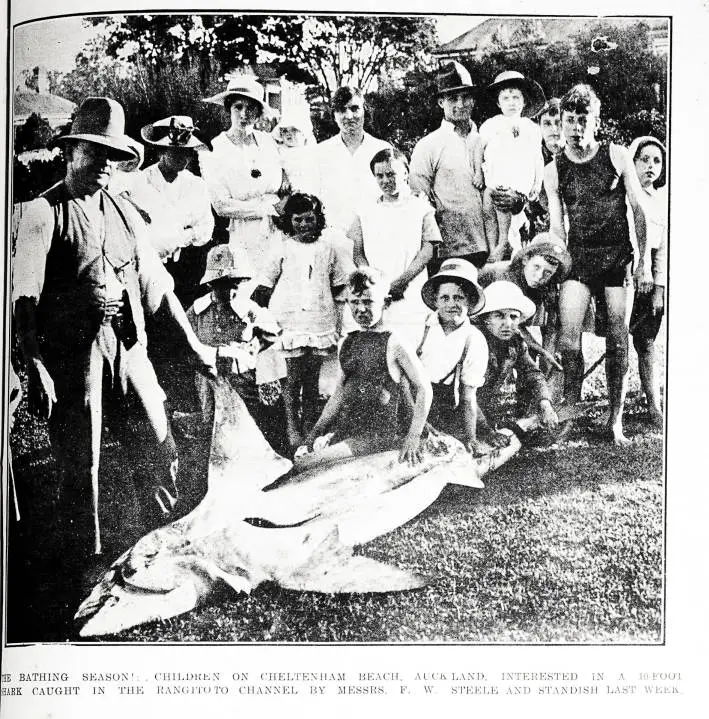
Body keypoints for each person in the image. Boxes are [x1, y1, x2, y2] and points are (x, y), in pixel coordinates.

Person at [11, 97, 217, 585]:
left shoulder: (126, 212)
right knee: (84, 460)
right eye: (94, 152)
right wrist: (34, 361)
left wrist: (194, 348)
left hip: (128, 345)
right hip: (74, 354)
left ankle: (158, 544)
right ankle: (87, 567)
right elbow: (23, 297)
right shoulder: (44, 212)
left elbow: (159, 289)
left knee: (158, 437)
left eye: (113, 155)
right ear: (71, 151)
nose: (104, 164)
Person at [544, 84, 649, 444]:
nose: (574, 128)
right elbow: (557, 226)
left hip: (617, 259)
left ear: (596, 121)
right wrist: (554, 266)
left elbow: (638, 210)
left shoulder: (616, 155)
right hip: (579, 260)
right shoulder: (553, 169)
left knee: (617, 340)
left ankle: (614, 418)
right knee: (569, 339)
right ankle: (572, 408)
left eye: (581, 120)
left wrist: (645, 264)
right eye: (568, 120)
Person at [302, 267, 432, 465]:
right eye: (354, 302)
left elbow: (424, 388)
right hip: (351, 429)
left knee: (308, 463)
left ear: (385, 303)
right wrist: (316, 431)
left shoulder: (395, 342)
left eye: (368, 302)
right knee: (304, 457)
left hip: (380, 434)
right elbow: (340, 393)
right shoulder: (348, 341)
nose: (361, 309)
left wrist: (413, 436)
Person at [255, 193, 354, 449]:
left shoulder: (328, 248)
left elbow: (339, 285)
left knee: (312, 381)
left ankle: (311, 432)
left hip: (319, 319)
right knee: (291, 379)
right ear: (290, 221)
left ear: (318, 219)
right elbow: (264, 286)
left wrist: (337, 316)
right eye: (298, 220)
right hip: (289, 320)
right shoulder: (282, 248)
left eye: (309, 219)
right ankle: (292, 431)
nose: (304, 225)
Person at [187, 244, 287, 454]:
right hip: (209, 377)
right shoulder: (198, 311)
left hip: (241, 376)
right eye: (222, 285)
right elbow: (183, 338)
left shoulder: (247, 309)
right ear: (210, 285)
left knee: (249, 418)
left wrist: (253, 347)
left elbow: (273, 332)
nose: (230, 291)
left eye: (236, 284)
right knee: (212, 420)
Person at [348, 147, 441, 348]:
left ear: (405, 173)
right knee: (379, 346)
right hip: (376, 291)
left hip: (410, 288)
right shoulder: (364, 210)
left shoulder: (421, 208)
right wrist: (373, 282)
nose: (385, 181)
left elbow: (429, 249)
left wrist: (401, 282)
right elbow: (357, 251)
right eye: (379, 176)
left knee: (409, 345)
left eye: (391, 174)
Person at [200, 75, 286, 276]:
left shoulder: (268, 142)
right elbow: (221, 205)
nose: (244, 114)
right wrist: (267, 208)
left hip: (277, 232)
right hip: (243, 233)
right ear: (228, 110)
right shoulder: (215, 149)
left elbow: (281, 182)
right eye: (238, 107)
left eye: (251, 108)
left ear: (258, 113)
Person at [410, 61, 487, 272]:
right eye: (453, 98)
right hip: (450, 250)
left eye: (466, 97)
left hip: (490, 246)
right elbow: (420, 200)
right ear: (441, 102)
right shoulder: (429, 145)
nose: (461, 104)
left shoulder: (487, 140)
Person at [139, 115, 214, 306]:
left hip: (187, 264)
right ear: (160, 152)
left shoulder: (196, 185)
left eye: (188, 153)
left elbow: (205, 229)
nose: (184, 158)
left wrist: (179, 237)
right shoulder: (141, 182)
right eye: (176, 152)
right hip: (150, 263)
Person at [417, 259, 489, 455]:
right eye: (445, 298)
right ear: (435, 301)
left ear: (470, 301)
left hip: (445, 411)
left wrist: (471, 438)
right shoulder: (420, 328)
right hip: (409, 404)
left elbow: (468, 397)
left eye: (459, 298)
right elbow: (403, 381)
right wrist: (418, 423)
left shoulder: (474, 339)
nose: (451, 304)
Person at [473, 70, 545, 261]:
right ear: (498, 103)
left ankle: (504, 241)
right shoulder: (491, 124)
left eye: (516, 97)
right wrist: (478, 173)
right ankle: (493, 245)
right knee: (487, 205)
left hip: (516, 178)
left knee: (502, 201)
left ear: (524, 101)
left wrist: (537, 183)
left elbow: (538, 158)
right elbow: (479, 149)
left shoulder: (531, 127)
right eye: (506, 98)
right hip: (496, 174)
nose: (511, 102)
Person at [474, 281, 559, 441]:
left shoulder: (516, 342)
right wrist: (486, 430)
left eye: (513, 316)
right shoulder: (474, 340)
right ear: (485, 319)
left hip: (483, 410)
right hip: (458, 408)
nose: (507, 323)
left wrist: (545, 404)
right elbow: (464, 394)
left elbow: (532, 374)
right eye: (499, 315)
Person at [479, 233, 572, 375]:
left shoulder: (544, 287)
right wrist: (537, 347)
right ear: (525, 260)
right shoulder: (505, 275)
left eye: (548, 272)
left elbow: (551, 326)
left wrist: (548, 355)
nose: (540, 276)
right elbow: (511, 324)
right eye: (536, 267)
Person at [313, 86, 391, 235]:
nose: (349, 116)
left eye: (355, 108)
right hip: (333, 237)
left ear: (365, 111)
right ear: (334, 115)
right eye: (342, 110)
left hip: (375, 235)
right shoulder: (320, 153)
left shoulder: (382, 149)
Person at [628, 136, 667, 426]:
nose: (650, 166)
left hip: (649, 280)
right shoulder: (624, 195)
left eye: (656, 160)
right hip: (621, 275)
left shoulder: (664, 202)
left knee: (647, 342)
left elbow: (663, 249)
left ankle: (653, 404)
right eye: (644, 159)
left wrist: (658, 287)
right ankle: (613, 406)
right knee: (615, 344)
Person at [272, 106, 318, 195]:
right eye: (284, 131)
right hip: (288, 187)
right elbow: (278, 166)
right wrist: (284, 178)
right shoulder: (281, 150)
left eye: (294, 130)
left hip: (307, 185)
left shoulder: (309, 150)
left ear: (303, 134)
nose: (288, 133)